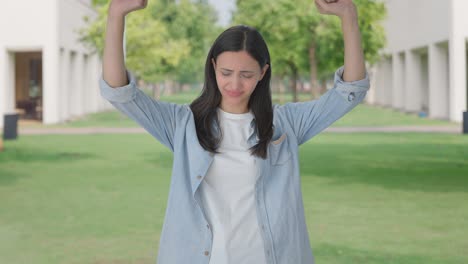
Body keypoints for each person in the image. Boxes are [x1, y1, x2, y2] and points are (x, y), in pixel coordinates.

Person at [100, 0, 370, 263]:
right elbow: (120, 94)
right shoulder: (182, 124)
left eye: (247, 74)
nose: (235, 84)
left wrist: (348, 14)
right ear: (214, 66)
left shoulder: (286, 124)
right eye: (226, 72)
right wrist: (116, 14)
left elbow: (350, 91)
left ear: (263, 73)